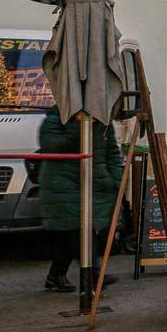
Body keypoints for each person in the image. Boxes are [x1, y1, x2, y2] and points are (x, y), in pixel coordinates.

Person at [34, 109, 122, 293]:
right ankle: (94, 276)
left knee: (69, 234)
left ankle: (56, 275)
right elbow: (52, 146)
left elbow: (112, 152)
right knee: (79, 228)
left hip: (94, 183)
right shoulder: (54, 120)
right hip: (62, 184)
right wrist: (79, 126)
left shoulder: (103, 123)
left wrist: (115, 179)